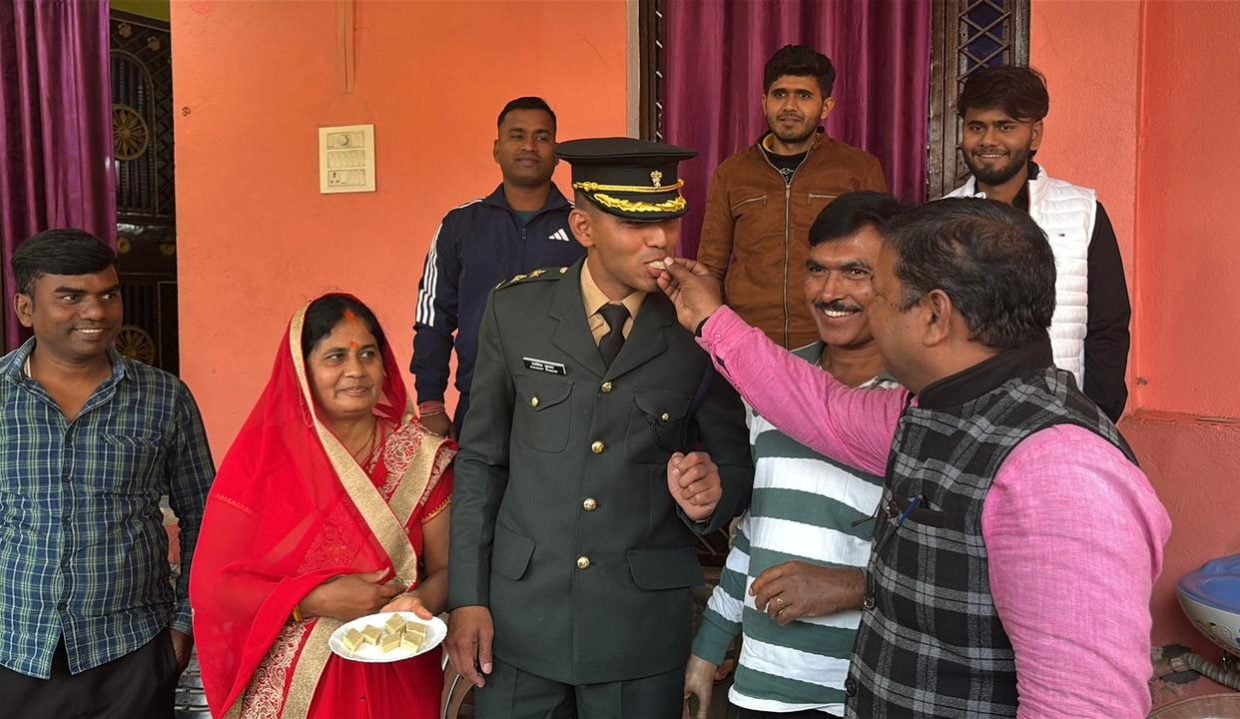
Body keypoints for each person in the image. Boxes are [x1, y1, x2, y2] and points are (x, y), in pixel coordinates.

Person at [658, 199, 1171, 717]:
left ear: (933, 314)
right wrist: (711, 319)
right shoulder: (934, 410)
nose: (855, 305)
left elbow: (1080, 707)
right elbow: (818, 406)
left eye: (877, 293)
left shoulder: (1060, 471)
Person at [446, 138, 754, 718]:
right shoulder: (517, 313)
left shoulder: (701, 325)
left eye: (666, 220)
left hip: (638, 631)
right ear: (583, 226)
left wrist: (712, 497)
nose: (659, 239)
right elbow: (482, 463)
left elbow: (735, 461)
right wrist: (468, 598)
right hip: (522, 621)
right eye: (635, 223)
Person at [684, 193, 902, 719]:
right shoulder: (773, 381)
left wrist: (853, 587)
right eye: (816, 270)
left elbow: (957, 570)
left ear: (903, 281)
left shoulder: (920, 401)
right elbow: (758, 530)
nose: (830, 291)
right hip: (761, 688)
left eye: (856, 271)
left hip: (866, 690)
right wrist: (708, 647)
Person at [191, 293, 455, 718]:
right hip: (296, 684)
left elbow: (448, 569)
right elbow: (214, 588)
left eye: (368, 354)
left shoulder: (423, 456)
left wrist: (418, 603)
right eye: (335, 356)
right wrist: (310, 600)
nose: (356, 370)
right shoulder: (264, 464)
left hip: (397, 661)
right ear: (303, 370)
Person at [0, 229, 215, 717]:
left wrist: (182, 627)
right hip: (13, 651)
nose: (96, 312)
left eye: (108, 295)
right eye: (71, 297)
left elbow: (206, 514)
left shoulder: (164, 398)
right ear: (26, 309)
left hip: (132, 653)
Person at [946, 65, 1131, 421]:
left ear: (1034, 135)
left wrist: (1097, 414)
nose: (988, 141)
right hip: (966, 419)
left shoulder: (1082, 210)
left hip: (1062, 416)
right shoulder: (940, 218)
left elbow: (1108, 325)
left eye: (1006, 127)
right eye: (976, 127)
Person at [412, 96, 584, 438]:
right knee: (475, 492)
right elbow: (434, 318)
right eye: (517, 135)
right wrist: (430, 403)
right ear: (496, 148)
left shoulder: (583, 226)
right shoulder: (460, 225)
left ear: (557, 151)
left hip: (564, 404)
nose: (529, 146)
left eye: (542, 137)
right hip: (478, 402)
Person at [697, 44, 888, 350]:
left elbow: (882, 262)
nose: (789, 106)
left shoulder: (859, 169)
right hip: (749, 342)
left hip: (833, 342)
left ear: (826, 107)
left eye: (803, 96)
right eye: (780, 94)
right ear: (764, 102)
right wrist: (716, 337)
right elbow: (710, 266)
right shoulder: (732, 174)